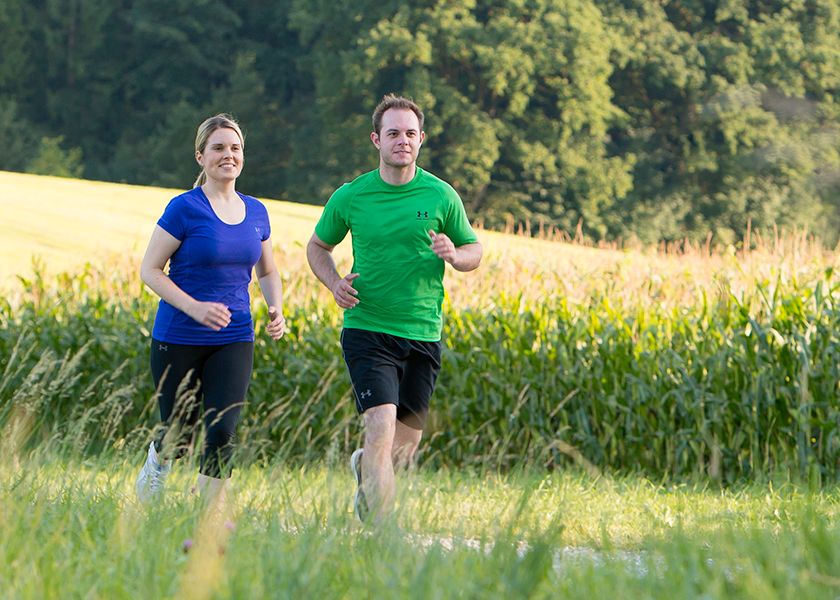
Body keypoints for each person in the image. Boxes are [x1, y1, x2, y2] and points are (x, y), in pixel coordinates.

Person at [306, 94, 482, 522]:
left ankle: (365, 465)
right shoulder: (352, 196)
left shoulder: (442, 195)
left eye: (409, 133)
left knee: (400, 452)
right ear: (376, 140)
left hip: (422, 332)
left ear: (420, 139)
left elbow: (473, 249)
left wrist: (455, 256)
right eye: (392, 134)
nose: (401, 140)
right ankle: (381, 534)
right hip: (367, 327)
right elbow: (317, 246)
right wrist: (334, 283)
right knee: (380, 426)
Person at [135, 113, 286, 507]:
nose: (228, 155)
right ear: (200, 156)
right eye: (218, 148)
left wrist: (275, 307)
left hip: (235, 336)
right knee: (177, 434)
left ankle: (206, 513)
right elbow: (150, 270)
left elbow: (267, 271)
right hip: (178, 336)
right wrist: (194, 307)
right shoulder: (184, 208)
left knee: (223, 429)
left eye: (235, 148)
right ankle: (155, 472)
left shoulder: (256, 212)